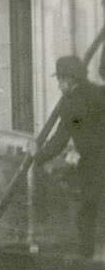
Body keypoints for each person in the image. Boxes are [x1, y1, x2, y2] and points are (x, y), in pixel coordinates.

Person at [33, 56, 105, 257]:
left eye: (60, 80)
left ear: (69, 79)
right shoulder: (99, 92)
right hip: (95, 159)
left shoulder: (71, 103)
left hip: (95, 162)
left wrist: (37, 158)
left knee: (86, 211)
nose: (58, 85)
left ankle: (86, 257)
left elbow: (59, 140)